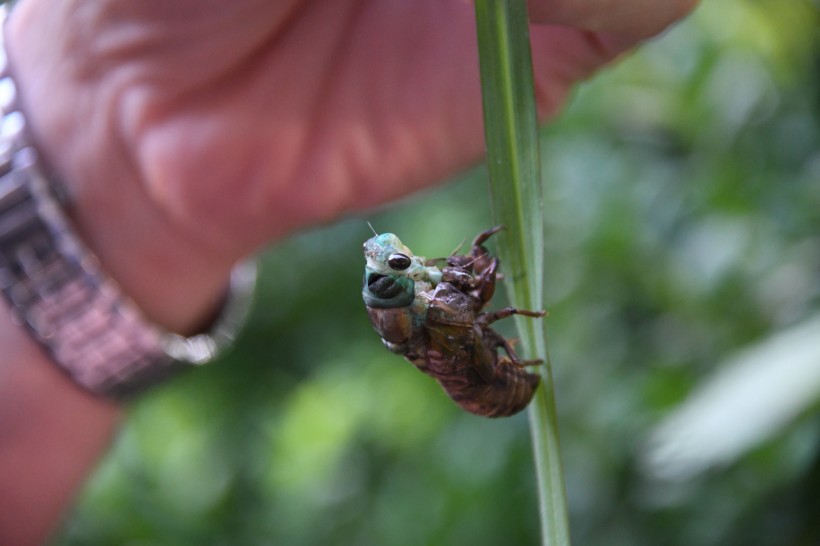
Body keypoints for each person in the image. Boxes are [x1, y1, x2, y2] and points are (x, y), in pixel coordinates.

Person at [0, 0, 695, 543]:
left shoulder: (425, 308)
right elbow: (468, 302)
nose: (428, 270)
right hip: (496, 377)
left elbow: (459, 289)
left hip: (483, 360)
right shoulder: (437, 315)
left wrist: (109, 135)